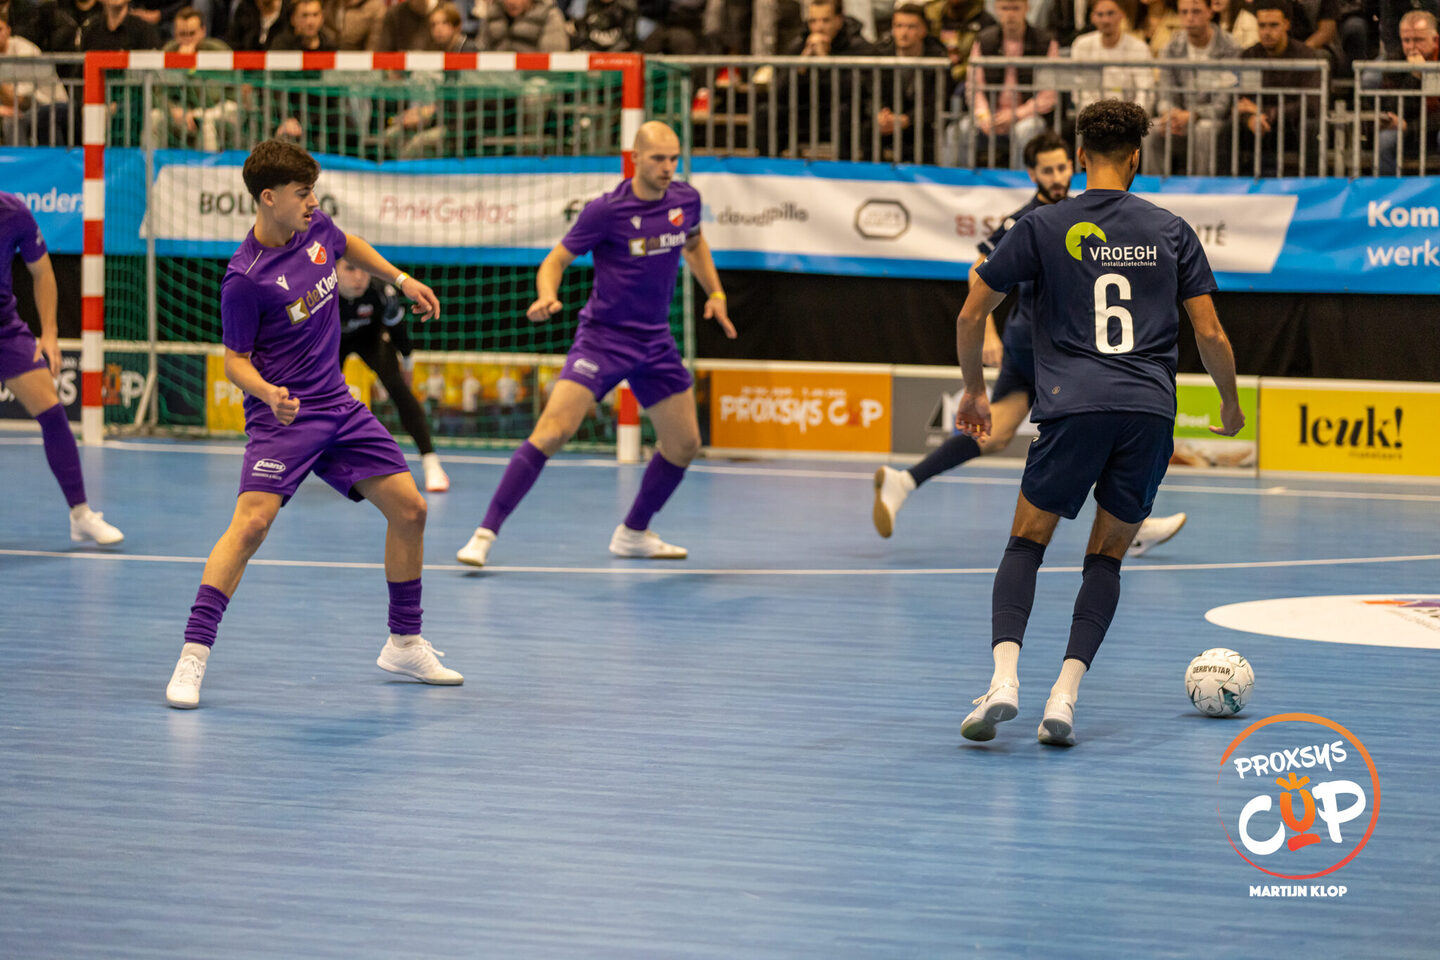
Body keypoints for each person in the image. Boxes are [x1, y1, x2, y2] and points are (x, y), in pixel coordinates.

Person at [952, 99, 1243, 746]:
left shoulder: (1042, 224)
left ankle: (1004, 681)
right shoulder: (1172, 230)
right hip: (1148, 411)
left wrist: (975, 391)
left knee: (1026, 544)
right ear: (1137, 158)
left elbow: (972, 313)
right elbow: (1211, 334)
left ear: (1081, 156)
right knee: (1106, 559)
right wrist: (1229, 403)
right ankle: (1064, 696)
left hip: (1072, 405)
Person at [165, 139, 460, 710]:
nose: (313, 202)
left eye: (313, 192)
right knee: (250, 527)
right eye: (303, 193)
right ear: (268, 198)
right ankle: (192, 655)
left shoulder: (316, 229)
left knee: (411, 510)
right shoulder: (245, 279)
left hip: (340, 408)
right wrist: (267, 393)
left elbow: (349, 243)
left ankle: (404, 643)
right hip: (285, 418)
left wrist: (401, 278)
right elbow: (234, 362)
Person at [873, 131, 1188, 558]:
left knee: (997, 432)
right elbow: (978, 270)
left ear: (1075, 164)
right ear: (1032, 174)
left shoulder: (1073, 213)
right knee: (1098, 420)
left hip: (1038, 344)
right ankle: (1134, 526)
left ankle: (905, 480)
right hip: (1051, 347)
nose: (1057, 176)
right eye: (1047, 170)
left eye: (1061, 167)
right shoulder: (1029, 219)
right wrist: (987, 332)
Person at [456, 121, 735, 568]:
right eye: (658, 159)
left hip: (655, 341)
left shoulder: (686, 199)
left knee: (684, 443)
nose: (667, 168)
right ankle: (484, 534)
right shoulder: (606, 211)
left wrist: (716, 293)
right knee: (553, 431)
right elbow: (556, 260)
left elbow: (695, 244)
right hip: (603, 340)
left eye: (673, 159)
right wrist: (547, 294)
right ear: (635, 159)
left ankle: (633, 533)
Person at [0, 192, 125, 547]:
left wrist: (50, 333)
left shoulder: (13, 212)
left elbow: (42, 272)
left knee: (53, 413)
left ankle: (81, 516)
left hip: (5, 330)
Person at [335, 256, 450, 492]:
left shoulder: (382, 292)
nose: (359, 277)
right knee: (316, 397)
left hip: (370, 338)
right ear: (333, 269)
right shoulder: (318, 294)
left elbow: (399, 332)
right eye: (350, 268)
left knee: (399, 389)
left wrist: (407, 364)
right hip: (332, 343)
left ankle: (431, 463)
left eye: (363, 269)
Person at [1146, 0, 1241, 176]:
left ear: (1210, 12)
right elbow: (1165, 93)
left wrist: (1193, 115)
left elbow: (1223, 103)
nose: (1189, 18)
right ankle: (1155, 187)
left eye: (1196, 11)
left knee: (1204, 129)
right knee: (1152, 129)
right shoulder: (1171, 47)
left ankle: (1201, 187)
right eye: (1184, 12)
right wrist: (1170, 114)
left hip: (1214, 119)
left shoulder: (1230, 47)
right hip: (1179, 118)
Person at [1232, 0, 1326, 176]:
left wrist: (1266, 112)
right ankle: (1225, 186)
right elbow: (1242, 101)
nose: (1267, 32)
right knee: (1229, 127)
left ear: (1286, 24)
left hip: (1292, 127)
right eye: (1262, 26)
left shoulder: (1306, 56)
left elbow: (1311, 103)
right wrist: (1250, 118)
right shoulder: (1249, 56)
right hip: (1259, 126)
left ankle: (1313, 185)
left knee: (1311, 126)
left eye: (1273, 25)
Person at [1375, 9, 1440, 174]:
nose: (1412, 47)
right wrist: (1415, 76)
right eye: (1406, 40)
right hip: (1410, 131)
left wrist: (1409, 127)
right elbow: (1392, 107)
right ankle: (1388, 190)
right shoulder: (1395, 61)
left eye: (1418, 40)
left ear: (1435, 40)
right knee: (1385, 140)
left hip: (1428, 127)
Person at [1069, 0, 1155, 114]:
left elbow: (1145, 91)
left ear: (1122, 14)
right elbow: (1080, 90)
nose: (1106, 20)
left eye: (1111, 13)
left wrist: (1133, 117)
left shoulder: (1139, 48)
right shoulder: (1081, 45)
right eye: (1100, 14)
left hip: (1129, 117)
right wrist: (1094, 116)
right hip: (1093, 117)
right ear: (1092, 17)